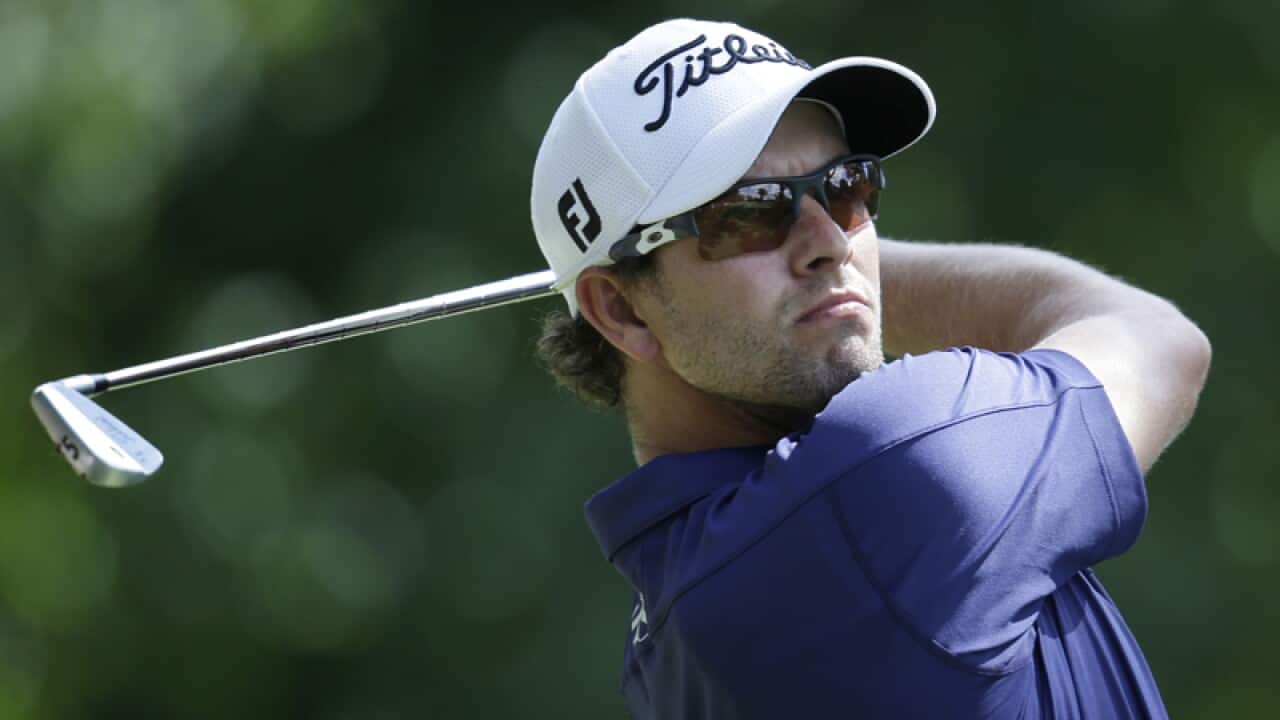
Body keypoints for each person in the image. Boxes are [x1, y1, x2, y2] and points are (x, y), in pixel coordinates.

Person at [529, 18, 1210, 720]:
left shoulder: (661, 642)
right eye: (748, 213)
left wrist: (816, 276)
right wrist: (841, 282)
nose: (830, 241)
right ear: (620, 311)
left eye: (847, 187)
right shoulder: (893, 472)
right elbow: (1154, 337)